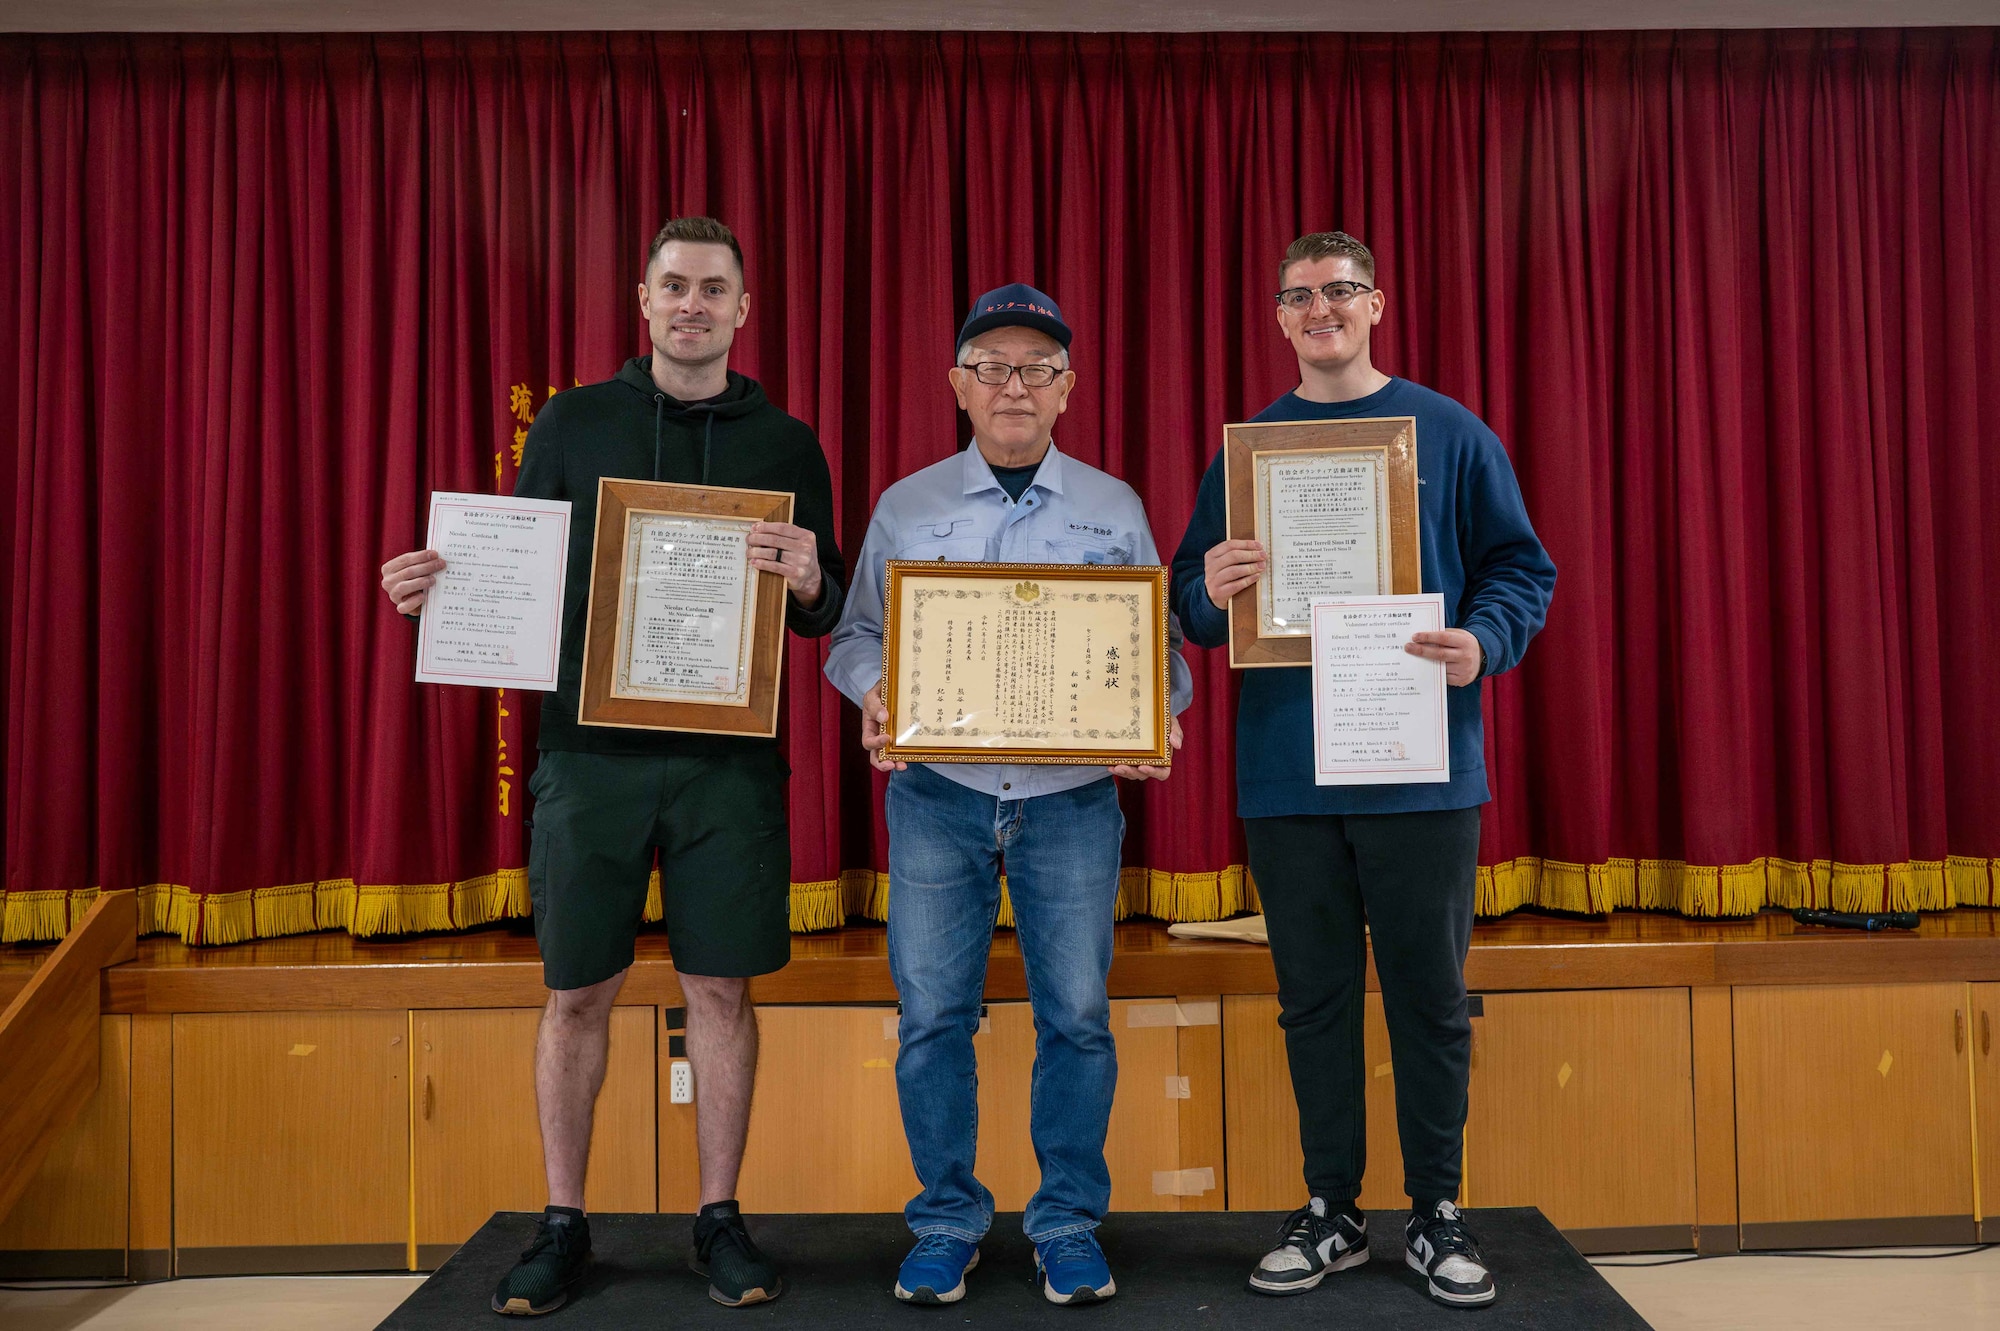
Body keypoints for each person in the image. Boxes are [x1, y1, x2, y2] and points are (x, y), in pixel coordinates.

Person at [378, 217, 845, 1317]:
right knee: (575, 990)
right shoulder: (575, 422)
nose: (692, 304)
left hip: (728, 763)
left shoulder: (787, 442)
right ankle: (561, 1221)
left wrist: (813, 575)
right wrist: (441, 590)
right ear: (643, 302)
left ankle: (719, 1215)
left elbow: (821, 613)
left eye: (713, 288)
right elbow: (520, 571)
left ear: (742, 308)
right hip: (588, 759)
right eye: (673, 285)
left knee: (719, 989)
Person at [1170, 231, 1555, 1310]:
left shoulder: (1447, 430)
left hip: (1419, 767)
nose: (1318, 309)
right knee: (1314, 1001)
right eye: (1297, 296)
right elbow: (1191, 608)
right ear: (1279, 318)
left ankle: (1436, 1210)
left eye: (1337, 290)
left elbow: (1522, 566)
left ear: (1374, 302)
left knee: (1430, 1000)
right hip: (1288, 775)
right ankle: (1330, 1207)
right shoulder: (1248, 451)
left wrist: (1483, 640)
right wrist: (1212, 582)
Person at [824, 284, 1190, 1308]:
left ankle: (1065, 1217)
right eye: (991, 365)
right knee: (934, 1014)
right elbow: (854, 637)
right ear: (957, 385)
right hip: (937, 793)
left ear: (1067, 387)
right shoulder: (909, 504)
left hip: (1071, 798)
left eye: (1035, 366)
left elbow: (1156, 650)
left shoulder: (1111, 506)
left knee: (1075, 1016)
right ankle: (945, 1218)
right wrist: (874, 689)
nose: (1013, 384)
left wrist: (1157, 713)